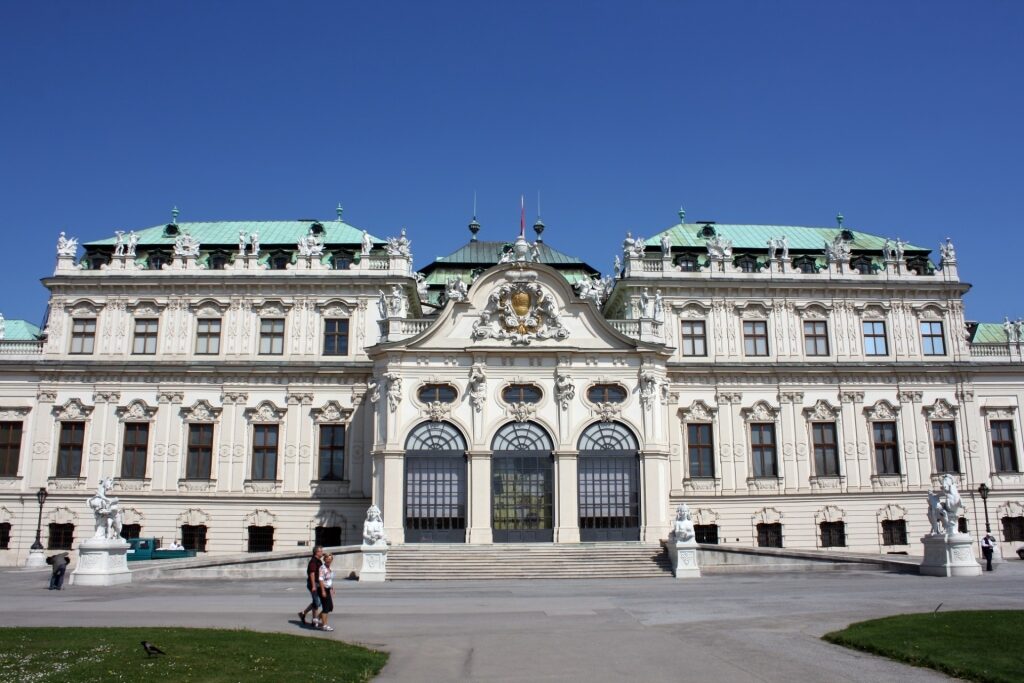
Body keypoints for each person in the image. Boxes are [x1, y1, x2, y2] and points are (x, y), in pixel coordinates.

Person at [298, 546, 324, 627]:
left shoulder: (318, 561)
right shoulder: (313, 562)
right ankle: (314, 621)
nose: (322, 552)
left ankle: (304, 614)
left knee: (316, 602)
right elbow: (312, 574)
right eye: (321, 551)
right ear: (316, 552)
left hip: (317, 584)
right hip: (314, 584)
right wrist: (313, 586)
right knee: (317, 602)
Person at [318, 553, 336, 631]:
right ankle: (324, 625)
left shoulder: (329, 568)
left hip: (328, 589)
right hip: (323, 589)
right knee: (326, 608)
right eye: (327, 559)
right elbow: (321, 580)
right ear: (324, 559)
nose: (329, 560)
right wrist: (323, 591)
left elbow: (329, 579)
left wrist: (332, 588)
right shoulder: (322, 568)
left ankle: (317, 619)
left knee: (330, 607)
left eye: (330, 559)